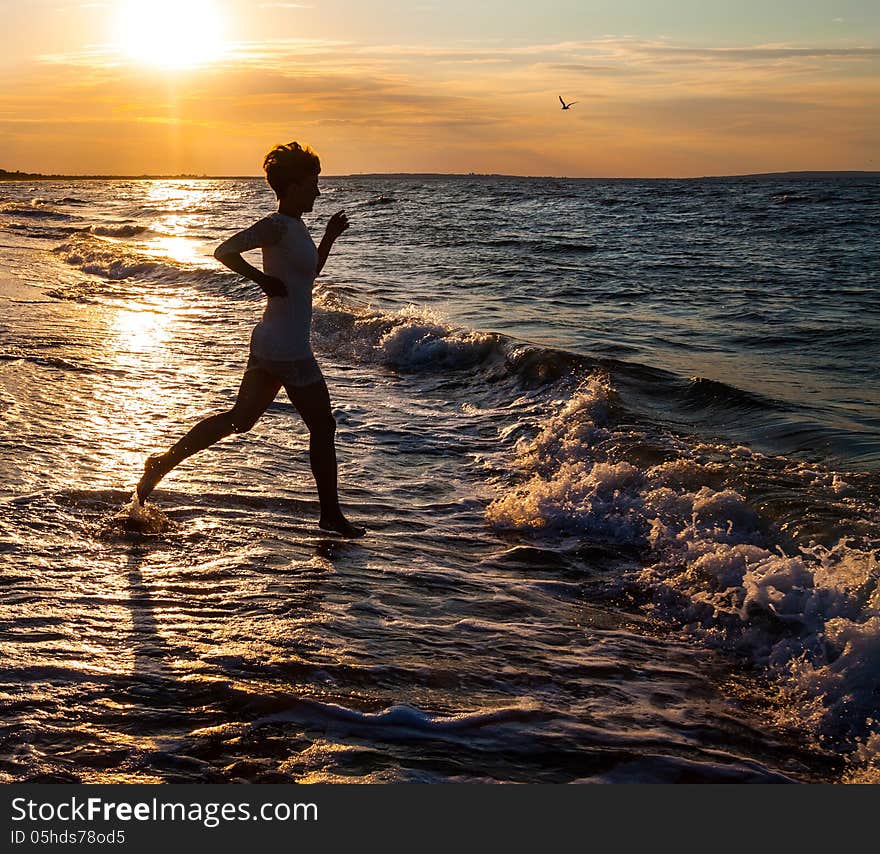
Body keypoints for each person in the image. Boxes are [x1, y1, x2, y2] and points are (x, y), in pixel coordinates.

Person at [136, 141, 365, 538]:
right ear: (292, 186)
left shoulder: (296, 228)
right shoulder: (276, 225)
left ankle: (162, 462)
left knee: (240, 420)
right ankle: (330, 515)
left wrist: (328, 238)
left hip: (273, 343)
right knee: (323, 427)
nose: (318, 191)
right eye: (313, 183)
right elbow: (224, 250)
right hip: (287, 347)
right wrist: (261, 281)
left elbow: (306, 278)